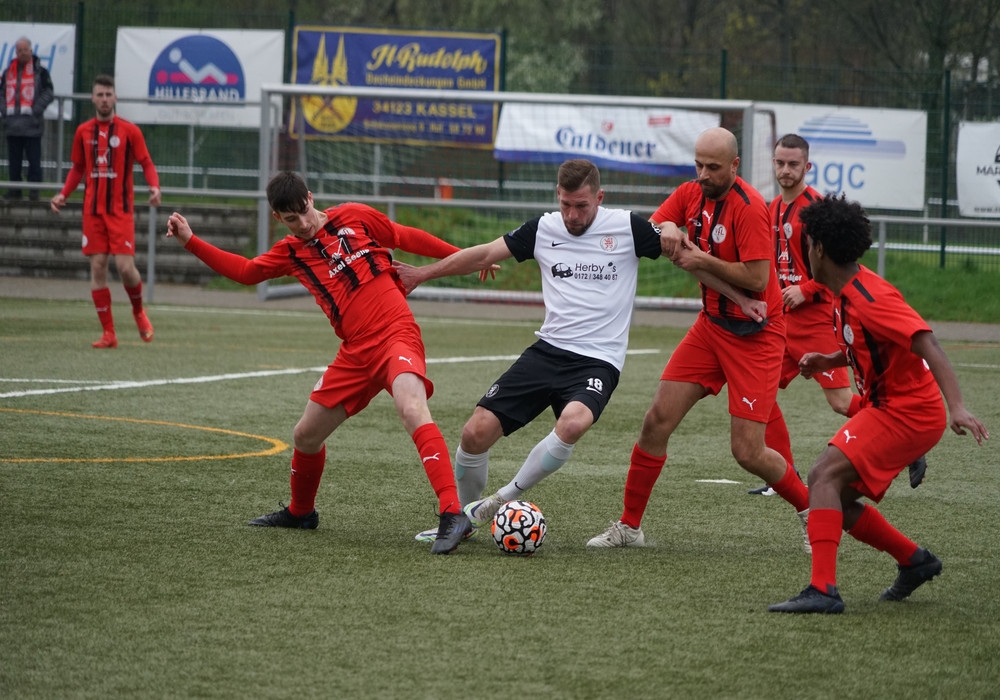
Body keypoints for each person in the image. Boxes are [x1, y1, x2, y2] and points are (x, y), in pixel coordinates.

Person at [395, 159, 732, 543]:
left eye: (581, 206)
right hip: (548, 351)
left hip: (598, 360)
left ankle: (498, 501)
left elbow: (687, 256)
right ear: (557, 195)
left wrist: (739, 297)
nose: (572, 215)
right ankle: (461, 520)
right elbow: (484, 254)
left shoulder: (628, 227)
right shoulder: (543, 228)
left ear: (599, 198)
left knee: (572, 423)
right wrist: (422, 273)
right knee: (475, 433)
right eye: (566, 204)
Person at [165, 170, 473, 554]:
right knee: (305, 435)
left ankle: (452, 513)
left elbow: (404, 236)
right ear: (279, 219)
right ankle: (301, 512)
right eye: (291, 218)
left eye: (304, 211)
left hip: (396, 333)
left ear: (311, 197)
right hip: (355, 354)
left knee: (411, 407)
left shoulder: (355, 215)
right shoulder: (290, 252)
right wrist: (190, 241)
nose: (303, 222)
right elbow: (246, 272)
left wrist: (461, 257)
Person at [586, 126, 813, 551]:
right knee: (656, 421)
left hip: (757, 336)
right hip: (710, 328)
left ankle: (812, 511)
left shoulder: (750, 208)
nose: (703, 174)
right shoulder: (691, 192)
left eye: (713, 167)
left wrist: (700, 258)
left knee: (747, 452)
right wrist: (669, 227)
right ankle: (630, 527)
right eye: (698, 165)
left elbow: (757, 278)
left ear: (735, 165)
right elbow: (656, 225)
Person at [768, 194, 988, 614]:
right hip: (888, 406)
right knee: (835, 497)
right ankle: (915, 560)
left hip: (908, 412)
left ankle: (823, 591)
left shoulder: (870, 296)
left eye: (807, 243)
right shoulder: (843, 289)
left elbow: (927, 342)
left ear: (818, 249)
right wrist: (828, 360)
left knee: (822, 475)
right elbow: (864, 343)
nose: (804, 251)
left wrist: (957, 406)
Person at [747, 134, 928, 496]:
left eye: (793, 164)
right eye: (780, 163)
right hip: (782, 322)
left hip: (816, 321)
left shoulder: (816, 211)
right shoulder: (772, 208)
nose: (785, 170)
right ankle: (782, 475)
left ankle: (907, 442)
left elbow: (839, 266)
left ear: (807, 166)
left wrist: (806, 289)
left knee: (841, 402)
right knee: (756, 390)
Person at [50, 75, 160, 349]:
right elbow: (78, 168)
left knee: (125, 268)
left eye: (108, 94)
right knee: (98, 266)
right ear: (92, 98)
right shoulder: (83, 132)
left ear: (115, 98)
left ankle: (138, 311)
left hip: (120, 211)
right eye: (99, 94)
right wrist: (63, 194)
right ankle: (109, 333)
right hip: (93, 211)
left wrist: (155, 187)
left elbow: (146, 162)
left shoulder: (129, 131)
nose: (104, 99)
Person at [2, 37, 54, 201]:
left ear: (31, 51)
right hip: (12, 125)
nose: (23, 53)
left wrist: (36, 110)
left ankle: (34, 191)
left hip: (33, 125)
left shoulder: (41, 72)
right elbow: (1, 93)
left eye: (25, 50)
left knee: (34, 160)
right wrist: (4, 111)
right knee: (14, 162)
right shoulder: (8, 72)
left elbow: (48, 92)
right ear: (16, 52)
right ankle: (14, 191)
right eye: (19, 50)